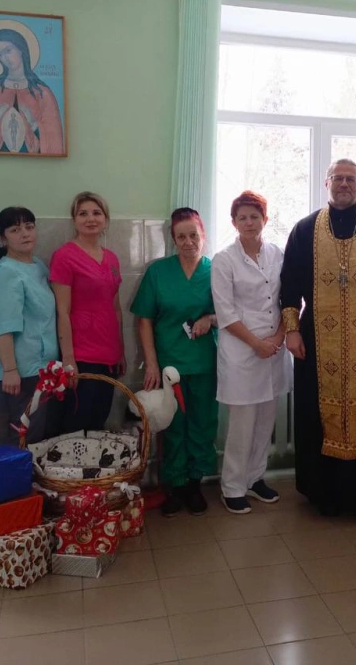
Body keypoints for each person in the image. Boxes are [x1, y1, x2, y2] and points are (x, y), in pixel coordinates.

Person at [279, 159, 356, 519]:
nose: (345, 184)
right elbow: (289, 283)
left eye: (351, 179)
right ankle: (323, 492)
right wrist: (291, 329)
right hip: (316, 339)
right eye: (338, 178)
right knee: (316, 413)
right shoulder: (305, 229)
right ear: (327, 183)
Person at [132, 208, 218, 517]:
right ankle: (175, 484)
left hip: (205, 362)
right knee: (173, 426)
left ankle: (194, 483)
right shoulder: (159, 272)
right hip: (170, 366)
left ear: (203, 235)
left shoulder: (216, 270)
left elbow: (231, 312)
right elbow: (144, 319)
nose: (188, 242)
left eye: (193, 235)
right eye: (181, 237)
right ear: (173, 240)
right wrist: (152, 363)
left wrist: (210, 318)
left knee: (202, 423)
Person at [212, 191, 292, 514]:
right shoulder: (224, 259)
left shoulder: (277, 254)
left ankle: (256, 478)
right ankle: (232, 487)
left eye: (254, 217)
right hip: (242, 351)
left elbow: (289, 300)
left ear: (265, 220)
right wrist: (258, 343)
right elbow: (225, 312)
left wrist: (278, 337)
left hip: (274, 348)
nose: (249, 222)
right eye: (242, 217)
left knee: (266, 421)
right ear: (233, 222)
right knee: (242, 425)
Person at [49, 192, 125, 432]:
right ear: (74, 220)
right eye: (83, 214)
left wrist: (121, 351)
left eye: (96, 213)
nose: (90, 219)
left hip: (109, 355)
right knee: (76, 425)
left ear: (105, 219)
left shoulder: (111, 259)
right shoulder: (64, 256)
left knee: (98, 423)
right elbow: (62, 311)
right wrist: (68, 359)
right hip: (82, 356)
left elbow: (115, 308)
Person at [0, 206, 61, 444]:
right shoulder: (6, 272)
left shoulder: (38, 265)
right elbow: (3, 325)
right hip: (22, 371)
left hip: (45, 368)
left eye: (29, 227)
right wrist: (10, 369)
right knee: (25, 436)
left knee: (41, 438)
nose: (24, 234)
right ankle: (18, 472)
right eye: (15, 229)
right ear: (3, 237)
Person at [0, 28, 65, 155]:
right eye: (0, 55)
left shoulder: (42, 93)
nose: (5, 58)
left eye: (8, 51)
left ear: (21, 49)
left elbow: (54, 139)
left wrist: (33, 123)